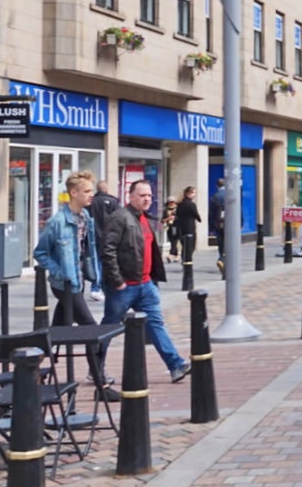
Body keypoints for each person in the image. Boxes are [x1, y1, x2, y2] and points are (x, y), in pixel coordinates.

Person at [32, 170, 117, 399]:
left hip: (77, 282)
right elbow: (40, 252)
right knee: (91, 329)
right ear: (73, 193)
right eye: (87, 191)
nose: (92, 195)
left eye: (91, 190)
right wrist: (60, 272)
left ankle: (32, 369)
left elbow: (85, 249)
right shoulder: (57, 222)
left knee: (56, 331)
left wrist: (91, 272)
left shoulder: (85, 218)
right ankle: (101, 386)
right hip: (65, 285)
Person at [101, 179, 190, 383]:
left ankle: (176, 365)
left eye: (149, 195)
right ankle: (96, 368)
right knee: (109, 327)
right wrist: (117, 280)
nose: (147, 199)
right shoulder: (120, 218)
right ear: (130, 197)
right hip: (124, 287)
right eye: (142, 195)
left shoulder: (146, 219)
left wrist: (151, 278)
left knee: (156, 324)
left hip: (145, 285)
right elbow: (108, 250)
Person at [88, 181, 122, 300]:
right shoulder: (113, 201)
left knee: (96, 262)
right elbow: (119, 218)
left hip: (94, 237)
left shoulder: (91, 202)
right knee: (105, 262)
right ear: (107, 189)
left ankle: (97, 286)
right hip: (109, 236)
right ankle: (97, 287)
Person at [173, 187, 201, 269]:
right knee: (191, 246)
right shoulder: (191, 204)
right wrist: (199, 219)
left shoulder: (180, 204)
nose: (195, 195)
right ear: (188, 193)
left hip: (181, 227)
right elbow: (196, 214)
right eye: (193, 193)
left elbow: (177, 215)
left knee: (184, 245)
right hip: (190, 227)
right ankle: (187, 261)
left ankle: (184, 260)